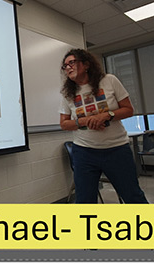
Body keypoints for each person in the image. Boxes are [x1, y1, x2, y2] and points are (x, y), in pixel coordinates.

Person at [58, 48, 147, 203]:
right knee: (84, 201)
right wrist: (84, 121)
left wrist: (107, 115)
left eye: (72, 62)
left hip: (116, 149)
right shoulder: (67, 93)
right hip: (84, 152)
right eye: (65, 66)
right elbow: (64, 124)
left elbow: (128, 110)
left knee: (133, 196)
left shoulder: (109, 80)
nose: (68, 67)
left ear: (86, 64)